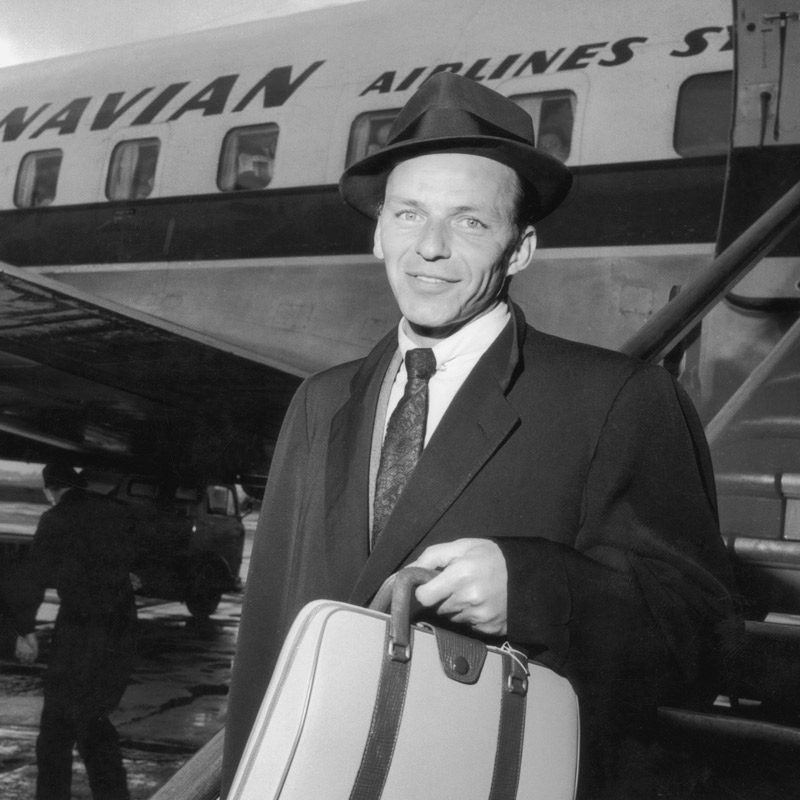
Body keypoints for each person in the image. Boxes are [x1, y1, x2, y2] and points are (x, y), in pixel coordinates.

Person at [221, 72, 738, 799]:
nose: (429, 247)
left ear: (520, 249)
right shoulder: (321, 400)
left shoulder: (619, 399)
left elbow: (703, 636)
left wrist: (537, 589)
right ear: (377, 233)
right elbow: (270, 643)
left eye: (469, 221)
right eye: (407, 215)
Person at [7, 462, 138, 800]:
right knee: (91, 718)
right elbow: (152, 546)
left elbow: (33, 576)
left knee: (57, 728)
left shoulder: (56, 519)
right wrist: (137, 576)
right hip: (121, 629)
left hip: (80, 631)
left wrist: (26, 630)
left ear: (51, 490)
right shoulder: (116, 512)